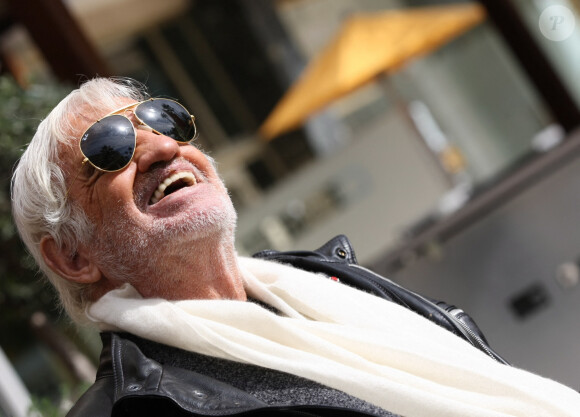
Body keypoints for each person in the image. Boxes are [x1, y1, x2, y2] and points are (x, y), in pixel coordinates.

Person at [10, 77, 580, 417]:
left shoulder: (334, 284)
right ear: (74, 257)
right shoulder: (134, 410)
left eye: (165, 120)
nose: (160, 147)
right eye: (108, 147)